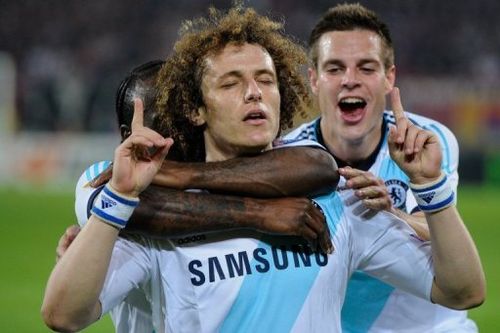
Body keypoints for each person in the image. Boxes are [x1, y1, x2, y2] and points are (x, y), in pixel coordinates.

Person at [42, 5, 484, 333]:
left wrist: (430, 187)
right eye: (231, 83)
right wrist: (113, 209)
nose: (254, 93)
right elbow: (63, 315)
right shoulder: (164, 216)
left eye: (266, 80)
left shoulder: (337, 201)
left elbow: (463, 291)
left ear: (283, 95)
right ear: (196, 109)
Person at [56, 58, 338, 332]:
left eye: (183, 119)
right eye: (161, 122)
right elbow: (139, 208)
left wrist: (183, 173)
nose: (175, 135)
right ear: (127, 134)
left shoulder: (235, 170)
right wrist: (261, 214)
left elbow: (318, 167)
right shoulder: (109, 176)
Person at [284, 3, 480, 332]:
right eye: (334, 69)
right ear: (314, 79)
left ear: (389, 78)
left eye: (366, 68)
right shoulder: (288, 157)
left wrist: (389, 213)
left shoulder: (425, 142)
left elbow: (438, 234)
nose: (350, 80)